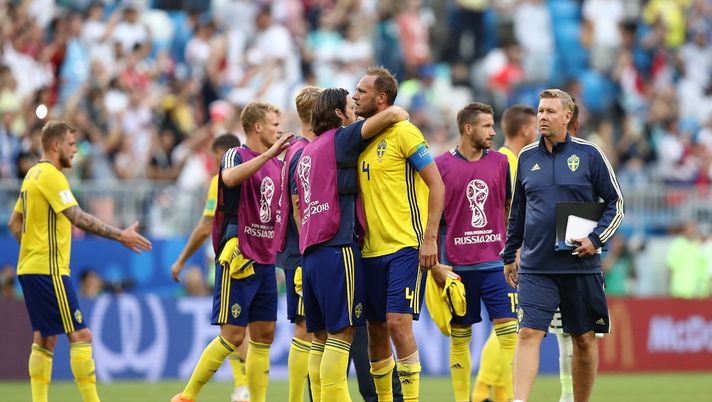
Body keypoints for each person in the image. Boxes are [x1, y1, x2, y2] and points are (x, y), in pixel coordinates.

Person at [8, 120, 152, 402]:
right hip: (48, 269)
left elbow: (15, 222)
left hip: (30, 267)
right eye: (72, 145)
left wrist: (32, 247)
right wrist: (120, 235)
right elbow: (78, 217)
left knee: (45, 339)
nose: (75, 151)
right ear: (55, 145)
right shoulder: (51, 175)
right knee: (82, 335)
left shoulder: (32, 175)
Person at [501, 89, 624, 402]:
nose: (542, 117)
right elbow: (518, 211)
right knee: (528, 333)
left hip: (579, 265)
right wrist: (509, 254)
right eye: (540, 111)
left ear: (567, 117)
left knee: (583, 340)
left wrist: (595, 239)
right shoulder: (527, 157)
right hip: (536, 266)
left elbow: (616, 203)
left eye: (550, 112)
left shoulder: (590, 154)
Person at [172, 101, 293, 402]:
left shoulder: (278, 164)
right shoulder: (234, 154)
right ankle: (187, 395)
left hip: (266, 259)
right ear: (257, 127)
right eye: (274, 124)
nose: (279, 130)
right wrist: (268, 155)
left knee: (264, 335)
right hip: (239, 254)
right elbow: (228, 179)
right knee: (233, 336)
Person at [296, 87, 409, 401]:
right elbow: (396, 114)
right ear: (337, 114)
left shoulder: (308, 150)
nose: (356, 107)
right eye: (350, 104)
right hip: (338, 247)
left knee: (319, 338)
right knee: (342, 336)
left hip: (311, 253)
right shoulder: (340, 139)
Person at [354, 66, 445, 401]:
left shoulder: (404, 132)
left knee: (397, 323)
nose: (354, 96)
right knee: (375, 330)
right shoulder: (358, 139)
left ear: (381, 99)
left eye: (362, 92)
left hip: (405, 246)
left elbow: (437, 184)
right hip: (368, 252)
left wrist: (430, 238)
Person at [435, 102, 518, 402]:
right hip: (457, 268)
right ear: (468, 129)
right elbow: (432, 218)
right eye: (487, 126)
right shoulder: (441, 166)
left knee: (510, 333)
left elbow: (510, 209)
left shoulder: (500, 163)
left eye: (493, 125)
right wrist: (435, 263)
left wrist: (514, 249)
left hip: (496, 265)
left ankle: (505, 397)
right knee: (461, 339)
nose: (493, 131)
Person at [169, 133, 250, 402]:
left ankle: (242, 387)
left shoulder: (221, 180)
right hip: (257, 256)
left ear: (222, 153)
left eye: (217, 157)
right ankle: (245, 388)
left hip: (230, 258)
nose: (218, 163)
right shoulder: (258, 171)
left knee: (231, 330)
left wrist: (181, 260)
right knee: (245, 330)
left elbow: (205, 226)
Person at [471, 104, 537, 402]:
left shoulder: (503, 159)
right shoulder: (508, 161)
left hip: (501, 252)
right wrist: (516, 251)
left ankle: (499, 395)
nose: (537, 130)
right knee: (509, 326)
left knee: (508, 326)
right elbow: (511, 214)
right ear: (525, 129)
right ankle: (482, 392)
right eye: (534, 125)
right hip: (506, 255)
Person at [270, 85, 321, 402]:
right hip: (304, 252)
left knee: (315, 331)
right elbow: (300, 207)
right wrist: (309, 250)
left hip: (302, 251)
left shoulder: (300, 149)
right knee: (305, 330)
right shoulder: (302, 152)